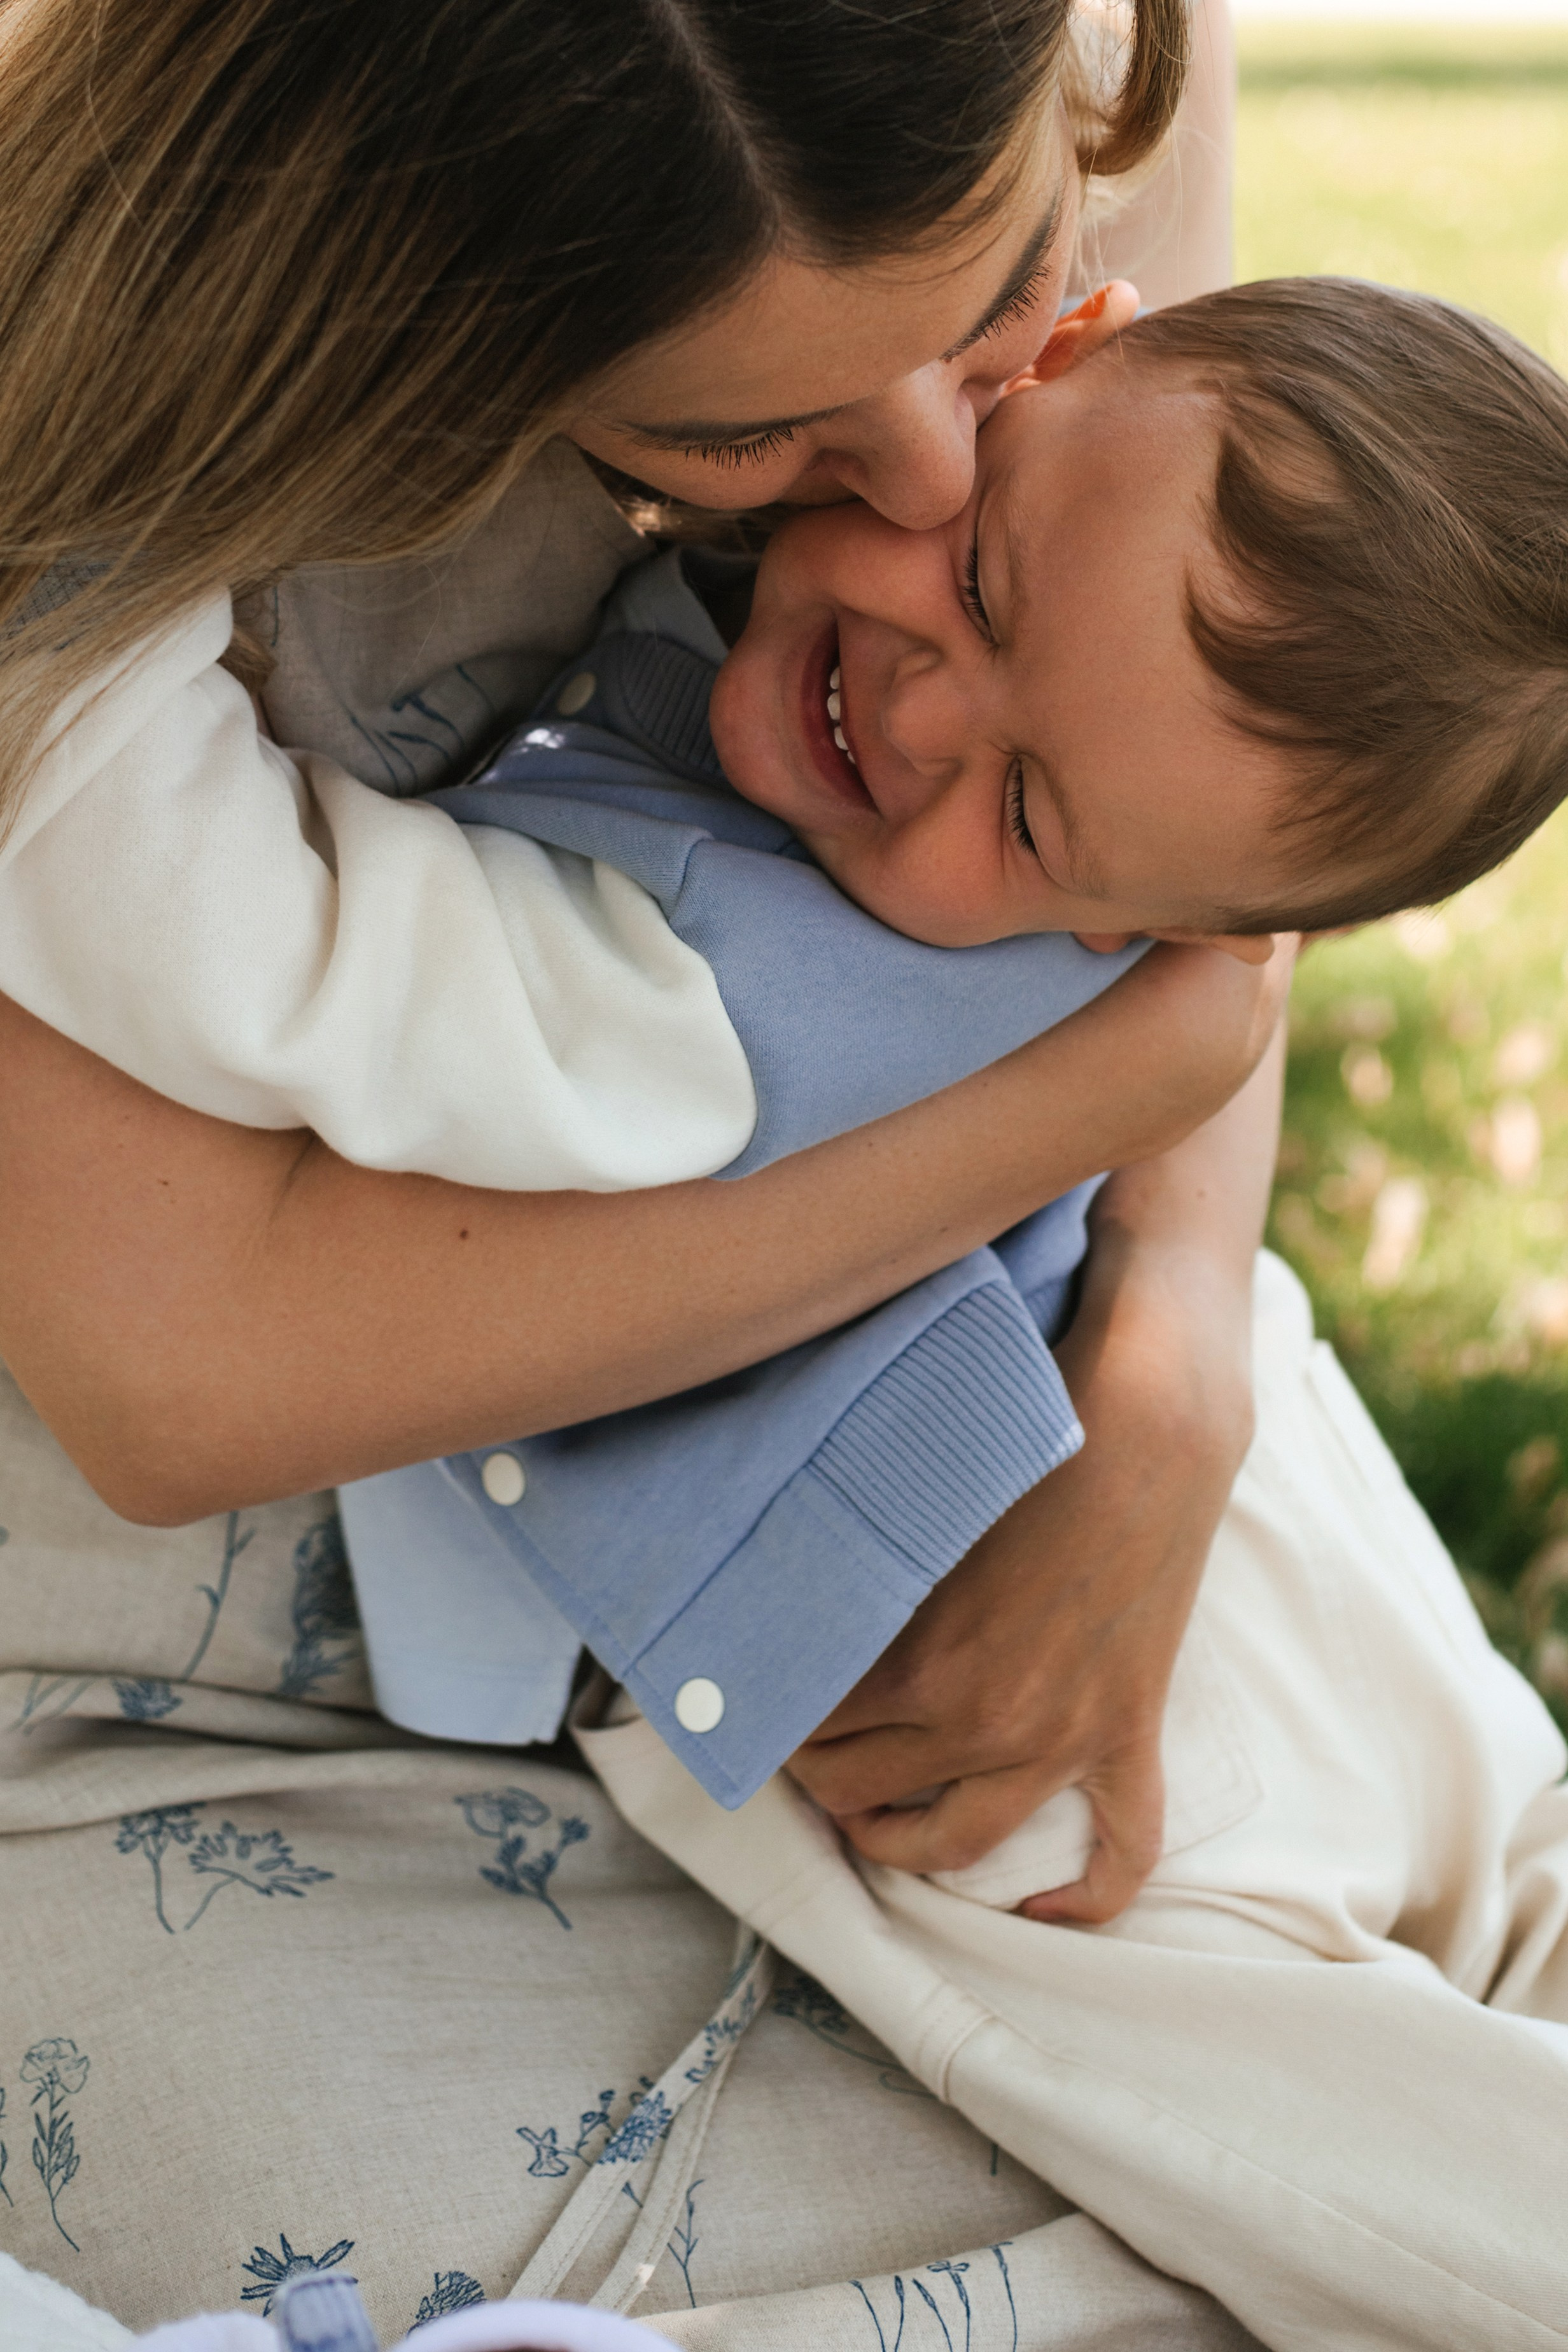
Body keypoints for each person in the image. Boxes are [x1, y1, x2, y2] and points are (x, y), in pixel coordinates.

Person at [0, 1, 1289, 2343]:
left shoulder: (1064, 53)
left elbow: (1232, 749)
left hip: (966, 1399)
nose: (917, 488)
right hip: (185, 1629)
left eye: (1000, 292)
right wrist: (1097, 1088)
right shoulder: (88, 392)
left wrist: (1180, 1355)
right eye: (735, 426)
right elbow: (179, 1387)